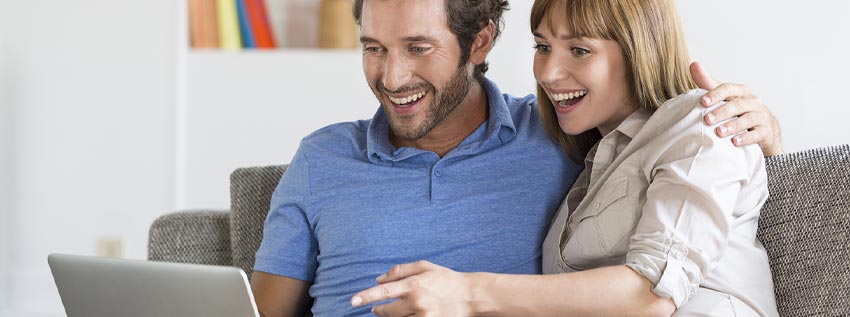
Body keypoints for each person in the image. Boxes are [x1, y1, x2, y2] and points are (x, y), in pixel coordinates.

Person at [253, 0, 783, 316]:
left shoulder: (556, 132)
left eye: (418, 48)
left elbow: (682, 157)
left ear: (480, 41)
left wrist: (762, 134)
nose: (391, 79)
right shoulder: (322, 158)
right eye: (373, 48)